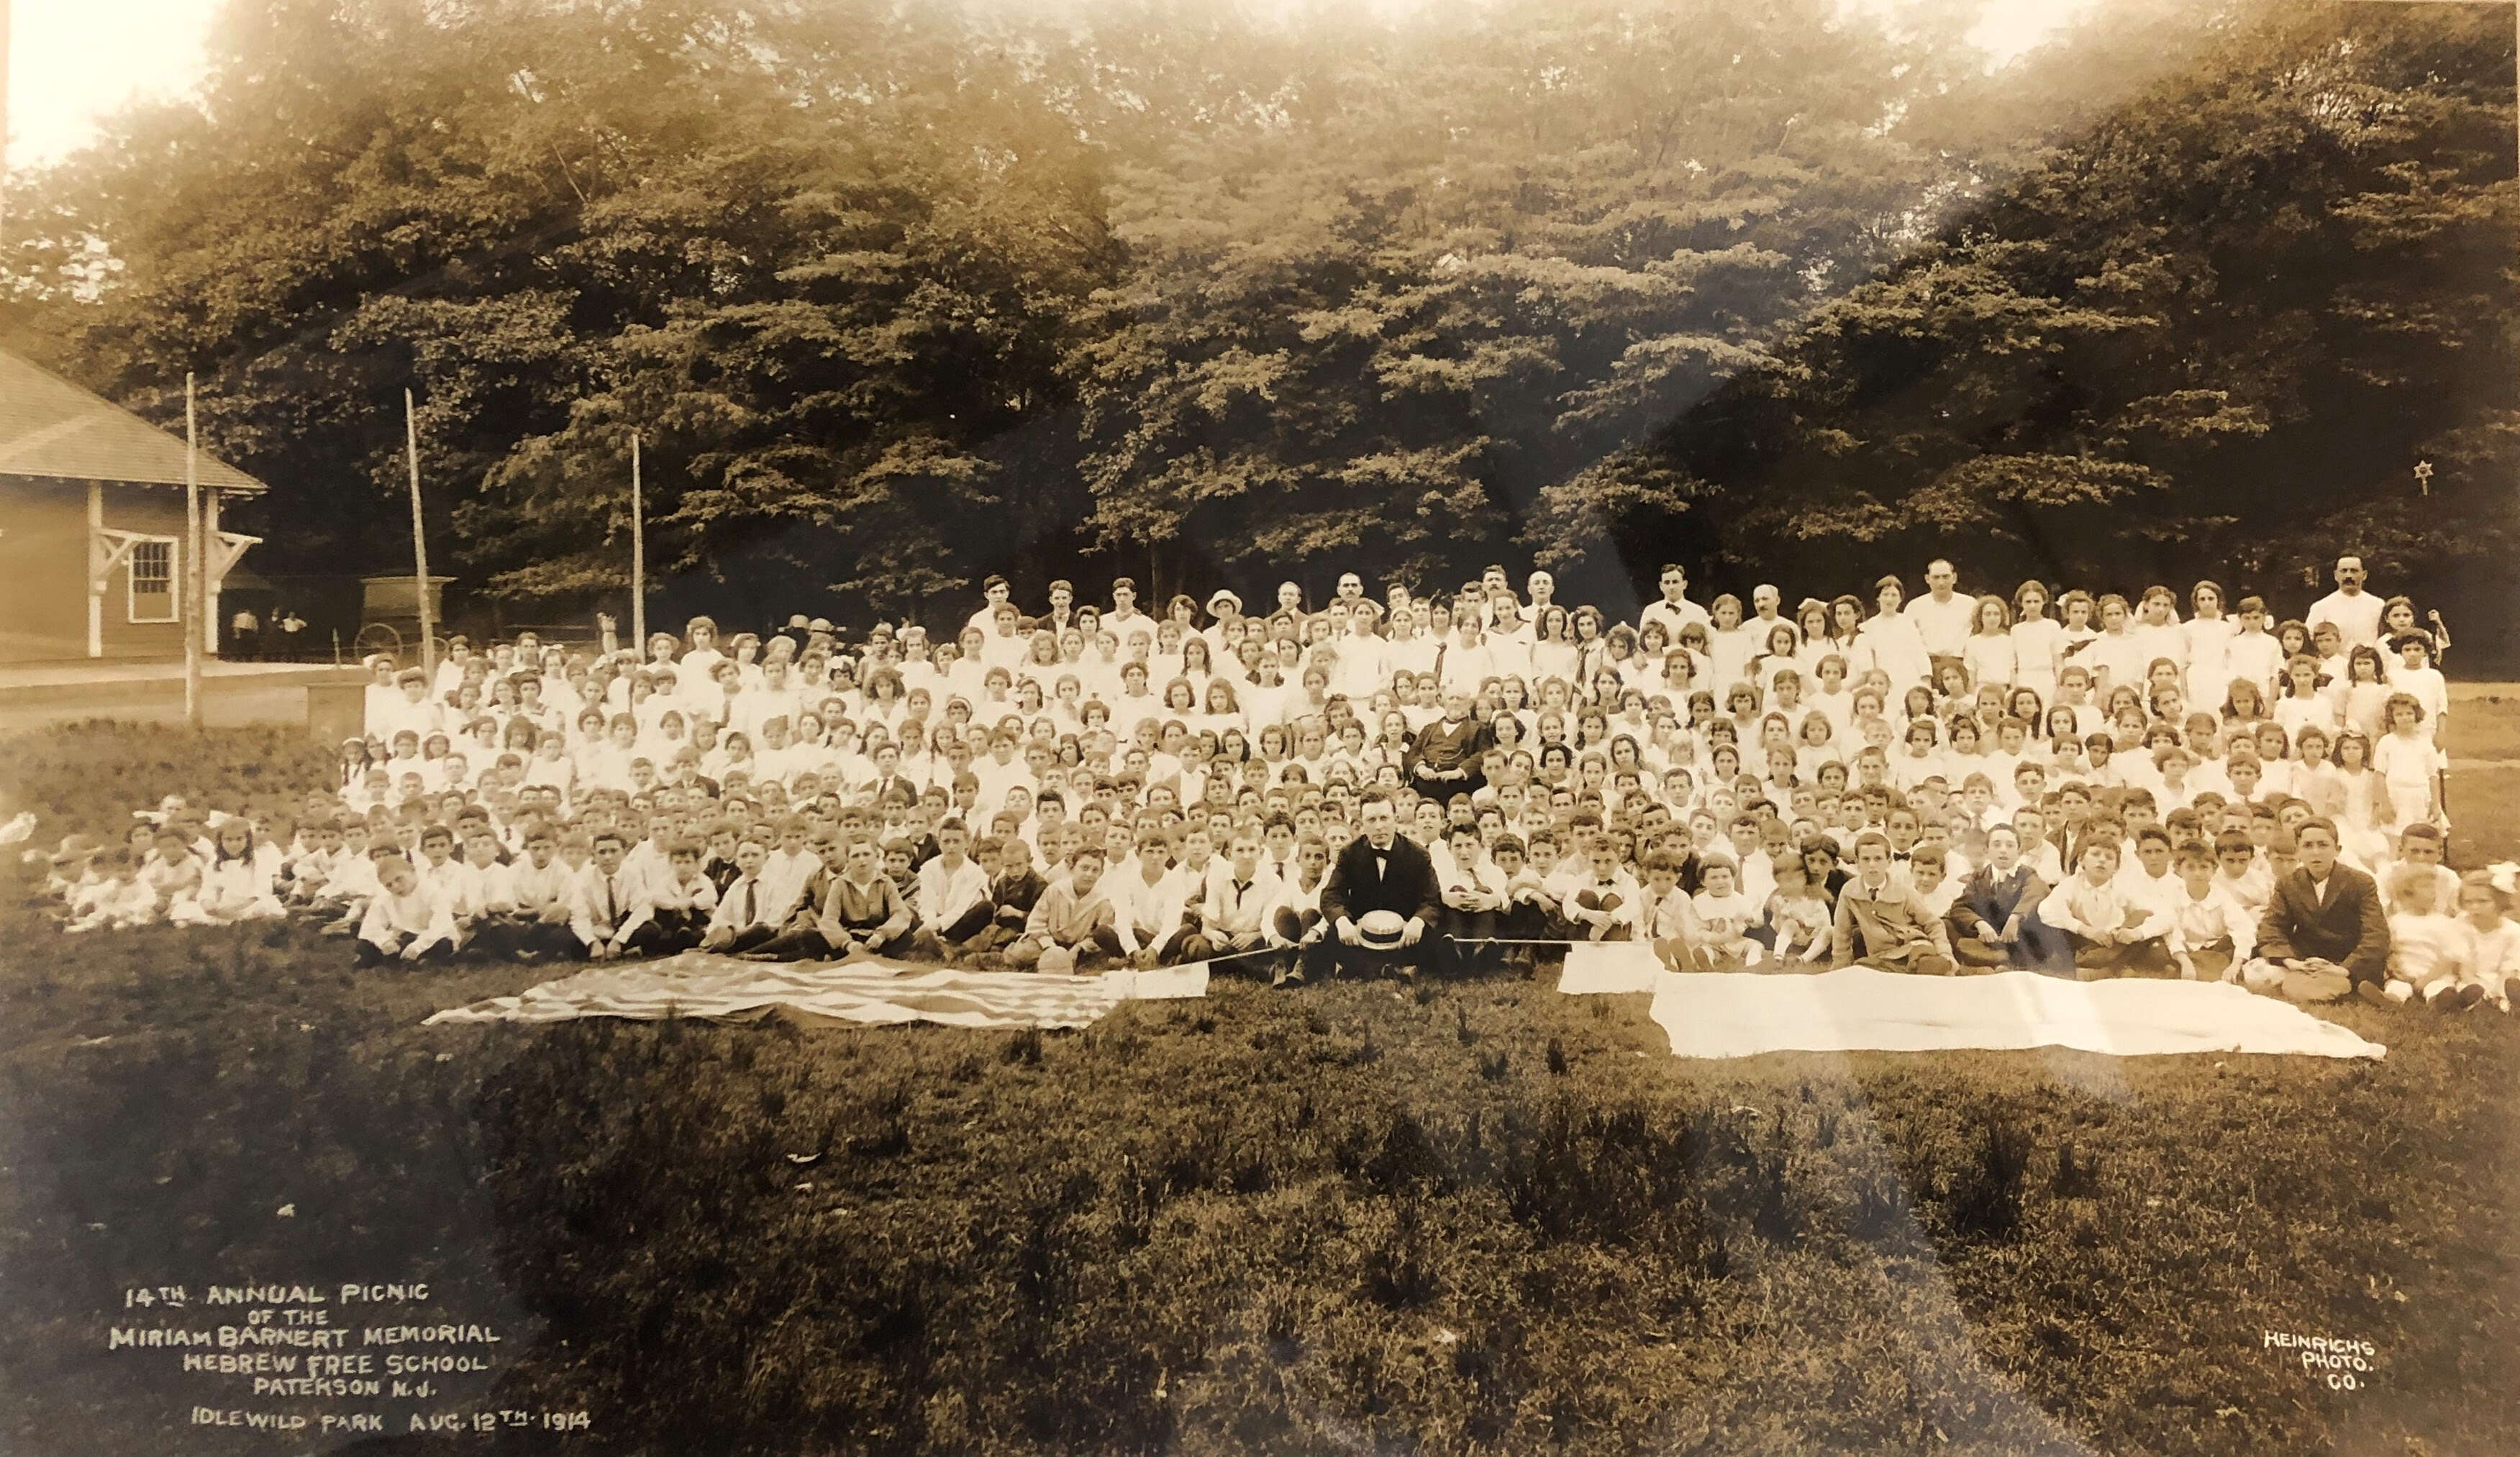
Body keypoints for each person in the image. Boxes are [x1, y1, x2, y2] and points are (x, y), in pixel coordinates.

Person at [2240, 818, 2390, 1004]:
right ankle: (2317, 985)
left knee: (2365, 970)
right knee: (2257, 974)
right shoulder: (2288, 883)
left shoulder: (2360, 882)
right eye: (2308, 846)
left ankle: (2344, 983)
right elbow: (2272, 927)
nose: (2316, 852)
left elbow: (2375, 933)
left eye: (2323, 845)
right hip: (2305, 960)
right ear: (2299, 851)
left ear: (2338, 849)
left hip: (2347, 958)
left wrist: (2344, 968)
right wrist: (2291, 962)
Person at [1321, 790, 1442, 979]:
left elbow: (1432, 899)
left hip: (1404, 935)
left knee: (1430, 936)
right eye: (1371, 820)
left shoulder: (1418, 854)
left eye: (1384, 818)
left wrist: (1418, 921)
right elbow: (1331, 896)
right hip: (1363, 935)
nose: (1379, 826)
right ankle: (1392, 970)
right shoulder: (1349, 853)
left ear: (1396, 818)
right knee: (1333, 935)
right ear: (1361, 823)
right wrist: (1342, 921)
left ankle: (1373, 969)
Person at [2305, 554, 2385, 652]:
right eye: (2344, 571)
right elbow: (2309, 640)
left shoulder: (2378, 605)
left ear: (2364, 575)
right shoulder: (2320, 607)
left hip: (2367, 664)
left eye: (2354, 571)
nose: (2348, 576)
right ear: (2336, 575)